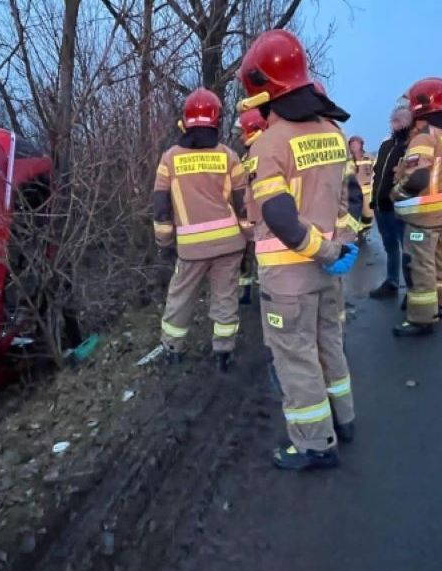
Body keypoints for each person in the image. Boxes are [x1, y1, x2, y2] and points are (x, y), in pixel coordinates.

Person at [237, 29, 359, 470]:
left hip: (290, 278)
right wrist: (340, 248)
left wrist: (323, 252)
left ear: (263, 89)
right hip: (329, 272)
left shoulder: (269, 143)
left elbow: (281, 218)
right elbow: (345, 203)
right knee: (330, 344)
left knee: (296, 357)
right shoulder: (333, 133)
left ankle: (314, 444)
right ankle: (344, 419)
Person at [152, 88, 249, 371]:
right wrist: (249, 237)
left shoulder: (169, 159)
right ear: (216, 119)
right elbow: (243, 205)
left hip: (190, 248)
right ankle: (223, 353)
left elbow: (161, 206)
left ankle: (173, 349)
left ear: (185, 120)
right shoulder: (230, 156)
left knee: (180, 298)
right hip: (229, 244)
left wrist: (164, 242)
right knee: (225, 297)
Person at [391, 77, 442, 337]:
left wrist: (396, 194)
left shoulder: (423, 138)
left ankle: (421, 318)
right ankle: (440, 303)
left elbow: (418, 178)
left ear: (420, 106)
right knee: (439, 261)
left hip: (422, 216)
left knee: (419, 265)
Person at [369, 105, 412, 299]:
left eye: (398, 120)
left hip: (399, 208)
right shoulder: (386, 145)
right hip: (380, 207)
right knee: (390, 246)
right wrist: (374, 200)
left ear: (408, 122)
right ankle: (392, 281)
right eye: (393, 120)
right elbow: (378, 174)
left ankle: (413, 290)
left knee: (407, 249)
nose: (394, 124)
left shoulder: (410, 145)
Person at [236, 108, 268, 305]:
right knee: (246, 258)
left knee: (265, 258)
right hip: (248, 217)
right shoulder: (246, 158)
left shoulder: (269, 153)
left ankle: (268, 292)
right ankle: (246, 292)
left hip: (265, 218)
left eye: (243, 132)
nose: (241, 137)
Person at [348, 136, 376, 233]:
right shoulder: (347, 159)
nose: (354, 146)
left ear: (361, 145)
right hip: (352, 193)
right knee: (352, 215)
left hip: (367, 192)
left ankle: (365, 231)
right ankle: (354, 232)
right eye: (352, 144)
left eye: (356, 144)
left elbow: (376, 173)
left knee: (368, 216)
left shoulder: (370, 158)